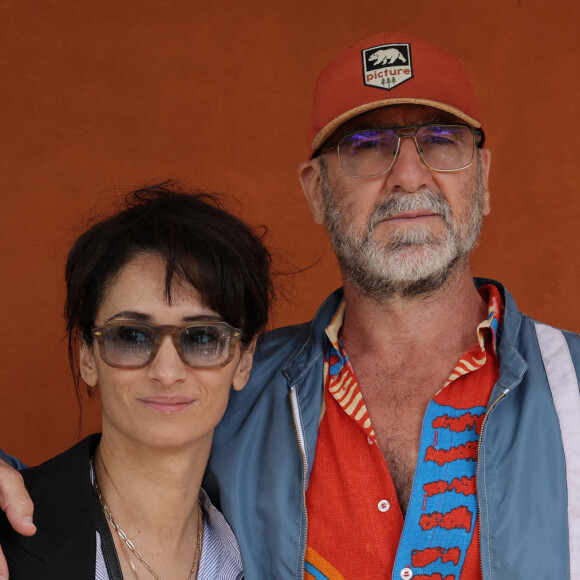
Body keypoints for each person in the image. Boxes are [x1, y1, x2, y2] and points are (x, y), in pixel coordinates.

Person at [1, 31, 579, 580]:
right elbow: (81, 493)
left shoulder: (571, 388)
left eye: (441, 142)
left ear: (482, 176)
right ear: (314, 190)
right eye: (366, 146)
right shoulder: (232, 384)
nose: (408, 175)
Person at [0, 182, 272, 579]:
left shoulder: (270, 551)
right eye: (131, 336)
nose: (166, 372)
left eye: (201, 337)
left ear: (244, 358)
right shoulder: (10, 534)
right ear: (86, 355)